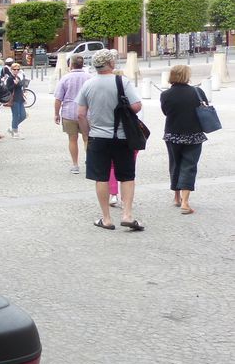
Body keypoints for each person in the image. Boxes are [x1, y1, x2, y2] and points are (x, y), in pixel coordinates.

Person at [76, 49, 144, 232]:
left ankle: (106, 218)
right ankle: (127, 215)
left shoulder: (88, 85)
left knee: (101, 177)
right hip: (122, 137)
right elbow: (136, 106)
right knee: (127, 176)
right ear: (112, 64)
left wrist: (87, 134)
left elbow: (80, 114)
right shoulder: (122, 81)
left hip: (97, 137)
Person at [160, 64, 207, 215]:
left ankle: (176, 197)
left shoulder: (165, 95)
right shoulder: (197, 92)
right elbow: (205, 107)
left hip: (172, 133)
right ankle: (185, 202)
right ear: (187, 76)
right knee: (189, 166)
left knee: (175, 164)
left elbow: (166, 112)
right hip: (194, 134)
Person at [53, 55, 91, 174]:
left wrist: (56, 114)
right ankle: (90, 162)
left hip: (69, 113)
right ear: (82, 64)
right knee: (87, 139)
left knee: (72, 139)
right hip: (86, 113)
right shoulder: (89, 78)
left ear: (71, 65)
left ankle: (75, 165)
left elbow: (58, 98)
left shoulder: (65, 78)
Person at [1, 62, 27, 138]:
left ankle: (12, 127)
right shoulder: (9, 78)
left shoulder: (18, 77)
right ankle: (15, 131)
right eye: (14, 69)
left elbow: (20, 86)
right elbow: (7, 89)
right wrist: (14, 84)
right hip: (14, 99)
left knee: (23, 115)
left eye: (18, 69)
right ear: (11, 70)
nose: (16, 71)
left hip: (20, 98)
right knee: (16, 115)